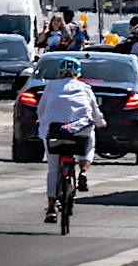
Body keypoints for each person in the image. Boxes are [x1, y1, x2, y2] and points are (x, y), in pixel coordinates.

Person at [35, 59, 104, 221]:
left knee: (53, 169)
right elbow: (94, 113)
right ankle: (84, 171)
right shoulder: (85, 88)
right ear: (78, 74)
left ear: (59, 73)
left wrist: (41, 120)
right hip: (79, 133)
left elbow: (41, 110)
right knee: (89, 141)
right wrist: (101, 123)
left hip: (54, 132)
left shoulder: (50, 87)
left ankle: (51, 208)